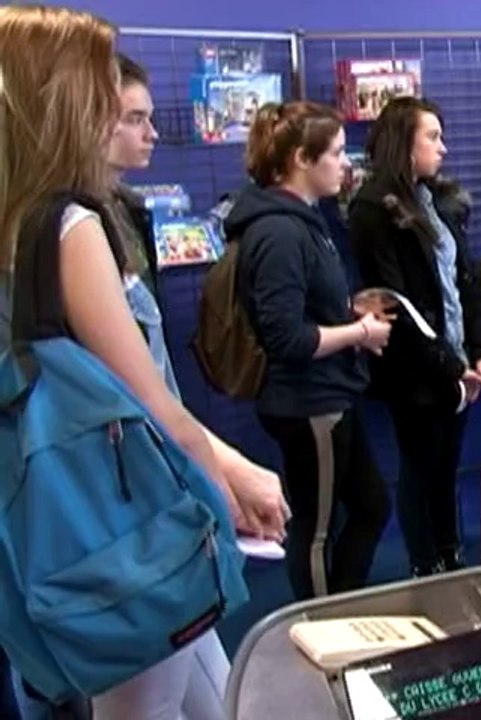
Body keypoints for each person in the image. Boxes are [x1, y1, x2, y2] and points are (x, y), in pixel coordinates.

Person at [0, 8, 287, 720]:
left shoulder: (18, 222)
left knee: (205, 690)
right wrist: (221, 494)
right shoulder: (69, 225)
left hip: (56, 527)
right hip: (127, 527)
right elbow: (151, 402)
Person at [228, 100, 392, 601]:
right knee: (317, 529)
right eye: (337, 153)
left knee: (369, 505)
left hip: (331, 395)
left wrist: (346, 311)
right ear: (302, 157)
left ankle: (344, 602)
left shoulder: (302, 220)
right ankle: (324, 623)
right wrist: (360, 332)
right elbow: (288, 339)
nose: (346, 164)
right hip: (308, 402)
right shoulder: (278, 231)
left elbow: (303, 309)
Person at [346, 97, 481, 576]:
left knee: (448, 464)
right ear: (403, 143)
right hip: (414, 368)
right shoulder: (373, 211)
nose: (443, 147)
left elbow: (466, 281)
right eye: (432, 137)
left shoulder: (441, 202)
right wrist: (454, 368)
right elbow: (393, 299)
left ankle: (452, 553)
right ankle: (426, 563)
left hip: (455, 358)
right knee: (420, 466)